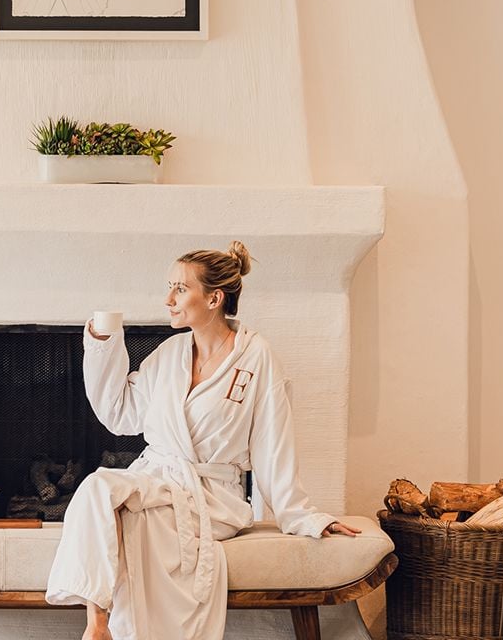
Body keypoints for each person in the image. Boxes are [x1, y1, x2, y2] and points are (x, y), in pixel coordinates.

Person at [45, 242, 361, 640]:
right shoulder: (170, 353)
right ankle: (97, 626)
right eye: (170, 288)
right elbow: (120, 413)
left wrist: (302, 515)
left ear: (214, 298)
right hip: (157, 476)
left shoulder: (256, 358)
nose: (168, 300)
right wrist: (104, 344)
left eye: (180, 289)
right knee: (95, 487)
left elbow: (273, 444)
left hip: (211, 495)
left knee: (137, 519)